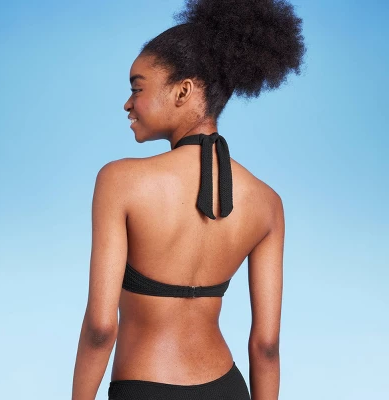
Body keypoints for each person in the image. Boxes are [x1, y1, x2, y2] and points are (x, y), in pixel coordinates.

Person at [72, 0, 306, 399]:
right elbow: (266, 346)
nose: (128, 103)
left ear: (183, 90)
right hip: (227, 387)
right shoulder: (267, 203)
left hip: (144, 387)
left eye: (137, 88)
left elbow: (100, 328)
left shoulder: (120, 181)